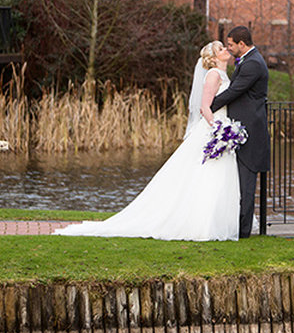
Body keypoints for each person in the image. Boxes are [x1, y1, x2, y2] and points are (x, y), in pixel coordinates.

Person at [53, 41, 240, 240]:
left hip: (221, 128)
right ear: (213, 57)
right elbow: (205, 107)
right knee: (206, 173)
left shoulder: (224, 74)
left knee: (215, 174)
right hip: (214, 130)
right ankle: (202, 223)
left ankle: (217, 221)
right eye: (221, 49)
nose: (225, 50)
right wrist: (219, 129)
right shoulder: (213, 75)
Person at [210, 25, 270, 238]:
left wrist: (209, 107)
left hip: (250, 130)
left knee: (246, 183)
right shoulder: (248, 60)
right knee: (236, 182)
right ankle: (234, 225)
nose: (229, 48)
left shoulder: (253, 64)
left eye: (231, 45)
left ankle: (243, 231)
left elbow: (235, 91)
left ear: (242, 44)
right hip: (239, 128)